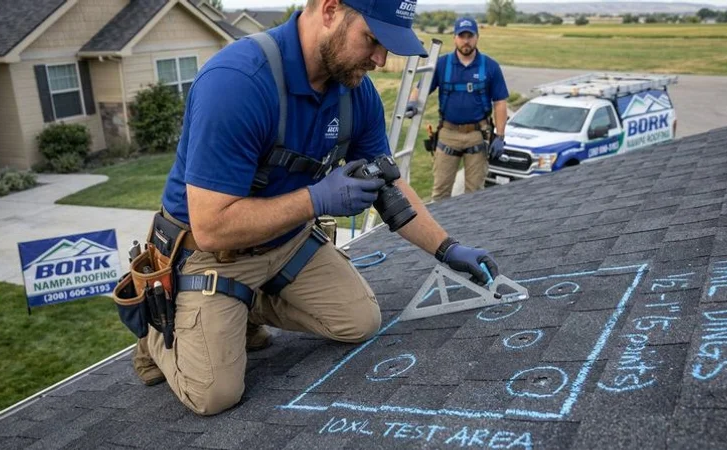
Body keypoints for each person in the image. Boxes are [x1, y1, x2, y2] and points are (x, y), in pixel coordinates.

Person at [132, 0, 501, 416]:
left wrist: (448, 249)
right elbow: (212, 225)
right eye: (373, 40)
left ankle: (241, 305)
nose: (380, 59)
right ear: (329, 11)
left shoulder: (354, 93)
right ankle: (156, 330)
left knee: (359, 321)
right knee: (215, 394)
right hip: (212, 253)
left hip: (286, 243)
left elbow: (390, 184)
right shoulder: (237, 83)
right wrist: (317, 199)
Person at [407, 16, 509, 201]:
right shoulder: (442, 65)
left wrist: (500, 136)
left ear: (477, 37)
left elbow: (500, 102)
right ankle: (439, 230)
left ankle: (471, 229)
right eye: (462, 36)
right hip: (448, 134)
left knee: (475, 194)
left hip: (478, 135)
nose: (466, 41)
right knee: (440, 193)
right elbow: (419, 89)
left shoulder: (490, 67)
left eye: (470, 36)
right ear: (455, 38)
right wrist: (412, 102)